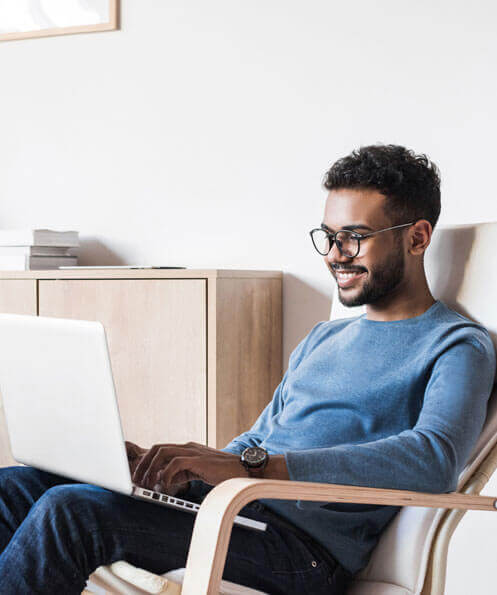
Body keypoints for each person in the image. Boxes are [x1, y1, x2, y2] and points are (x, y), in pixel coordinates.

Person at [0, 144, 494, 595]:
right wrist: (175, 473)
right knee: (16, 485)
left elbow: (432, 458)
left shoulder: (456, 344)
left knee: (73, 514)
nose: (334, 256)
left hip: (300, 552)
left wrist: (252, 468)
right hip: (235, 509)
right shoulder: (326, 337)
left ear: (417, 237)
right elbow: (258, 440)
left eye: (354, 238)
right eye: (327, 236)